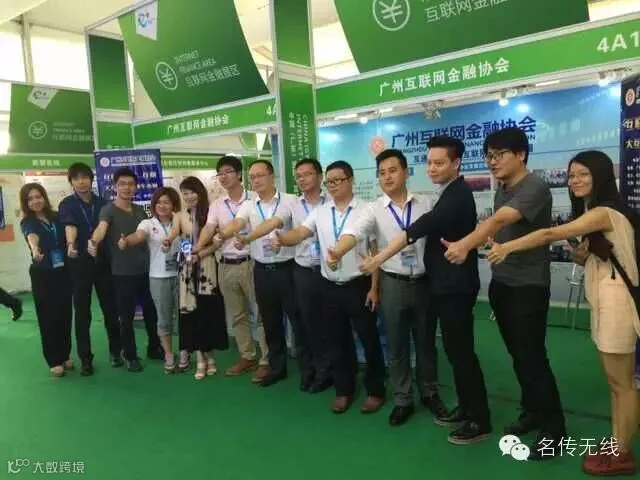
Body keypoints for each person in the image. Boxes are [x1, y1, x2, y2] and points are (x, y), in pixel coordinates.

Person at [487, 151, 639, 475]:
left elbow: (548, 234)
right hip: (604, 302)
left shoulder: (604, 211)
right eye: (571, 175)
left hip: (618, 305)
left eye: (584, 174)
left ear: (601, 176)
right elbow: (601, 258)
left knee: (622, 383)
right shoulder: (595, 212)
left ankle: (622, 452)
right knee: (615, 382)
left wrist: (507, 247)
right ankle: (618, 442)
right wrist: (583, 256)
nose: (575, 181)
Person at [441, 127, 566, 458]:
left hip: (529, 287)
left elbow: (500, 220)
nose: (492, 162)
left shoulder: (535, 186)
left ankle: (554, 431)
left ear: (521, 154)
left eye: (499, 155)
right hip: (503, 284)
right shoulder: (503, 188)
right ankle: (533, 411)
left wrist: (465, 244)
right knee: (518, 356)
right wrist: (480, 243)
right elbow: (498, 229)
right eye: (489, 156)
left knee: (532, 358)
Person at [357, 138, 491, 443]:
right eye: (429, 162)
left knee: (458, 354)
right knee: (444, 351)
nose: (432, 168)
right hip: (428, 285)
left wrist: (377, 259)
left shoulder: (451, 196)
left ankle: (478, 419)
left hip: (450, 287)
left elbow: (414, 231)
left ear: (456, 163)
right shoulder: (447, 193)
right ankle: (462, 408)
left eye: (439, 163)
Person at [329, 149, 445, 426]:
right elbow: (354, 232)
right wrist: (338, 251)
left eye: (393, 170)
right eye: (382, 173)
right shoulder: (374, 209)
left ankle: (429, 393)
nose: (387, 177)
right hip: (392, 283)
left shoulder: (427, 203)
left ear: (406, 172)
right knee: (396, 344)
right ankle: (403, 399)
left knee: (426, 342)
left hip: (425, 283)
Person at [274, 161, 386, 414]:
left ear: (351, 180)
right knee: (336, 341)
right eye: (330, 182)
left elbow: (374, 250)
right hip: (329, 286)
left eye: (338, 180)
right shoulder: (321, 212)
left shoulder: (367, 210)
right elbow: (300, 233)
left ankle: (376, 390)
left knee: (369, 339)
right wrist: (282, 239)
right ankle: (344, 390)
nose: (333, 185)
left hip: (359, 285)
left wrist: (374, 287)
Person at [214, 160, 308, 388]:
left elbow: (277, 223)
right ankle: (276, 368)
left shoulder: (290, 201)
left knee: (298, 321)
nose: (256, 180)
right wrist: (223, 235)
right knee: (270, 322)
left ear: (272, 176)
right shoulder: (249, 204)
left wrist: (247, 238)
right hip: (262, 270)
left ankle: (309, 370)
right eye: (253, 177)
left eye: (260, 175)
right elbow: (237, 222)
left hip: (288, 269)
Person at [194, 155, 269, 383]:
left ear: (239, 174)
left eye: (228, 171)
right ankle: (248, 355)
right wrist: (197, 248)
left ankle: (266, 359)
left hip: (252, 262)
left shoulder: (256, 199)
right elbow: (209, 227)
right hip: (226, 265)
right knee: (237, 315)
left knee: (261, 313)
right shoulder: (217, 204)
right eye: (220, 173)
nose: (223, 177)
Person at [89, 167, 163, 372]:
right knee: (126, 317)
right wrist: (94, 241)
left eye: (130, 184)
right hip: (122, 273)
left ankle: (154, 347)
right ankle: (130, 355)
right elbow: (101, 229)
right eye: (122, 184)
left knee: (151, 312)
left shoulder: (140, 211)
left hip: (146, 270)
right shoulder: (108, 210)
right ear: (115, 187)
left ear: (136, 187)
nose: (126, 188)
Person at [58, 162, 120, 375]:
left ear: (91, 179)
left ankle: (116, 352)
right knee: (82, 313)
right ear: (71, 182)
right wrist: (71, 244)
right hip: (79, 264)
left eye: (84, 177)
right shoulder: (67, 204)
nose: (81, 182)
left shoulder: (103, 203)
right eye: (76, 178)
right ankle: (86, 359)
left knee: (110, 309)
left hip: (103, 262)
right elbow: (70, 226)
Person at [169, 176, 228, 381]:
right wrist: (167, 241)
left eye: (191, 192)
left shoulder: (211, 212)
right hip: (187, 271)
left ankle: (209, 356)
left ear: (200, 192)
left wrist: (199, 254)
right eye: (184, 193)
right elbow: (174, 235)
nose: (188, 196)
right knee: (191, 315)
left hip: (207, 270)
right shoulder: (179, 216)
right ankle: (201, 359)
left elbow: (216, 243)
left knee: (207, 314)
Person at [118, 187, 183, 374]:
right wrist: (126, 241)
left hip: (182, 277)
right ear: (154, 205)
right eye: (159, 202)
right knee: (163, 318)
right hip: (158, 278)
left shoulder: (180, 221)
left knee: (183, 317)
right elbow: (138, 236)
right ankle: (168, 354)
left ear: (173, 205)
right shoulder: (148, 223)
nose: (162, 206)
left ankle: (184, 352)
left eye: (167, 202)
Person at [19, 183, 72, 377]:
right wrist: (35, 250)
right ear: (26, 203)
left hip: (63, 271)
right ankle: (54, 359)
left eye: (38, 196)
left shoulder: (56, 217)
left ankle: (65, 354)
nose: (35, 201)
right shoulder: (28, 222)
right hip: (42, 274)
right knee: (48, 316)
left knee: (65, 314)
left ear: (44, 197)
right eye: (30, 199)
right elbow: (32, 237)